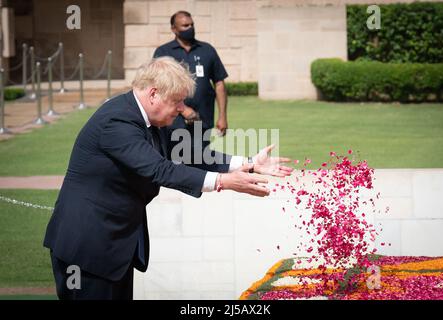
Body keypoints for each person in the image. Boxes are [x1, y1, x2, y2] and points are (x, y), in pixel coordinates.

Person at [43, 56, 292, 300]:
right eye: (177, 101)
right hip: (87, 248)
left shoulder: (154, 119)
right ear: (154, 94)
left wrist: (248, 164)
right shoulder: (117, 120)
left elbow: (190, 154)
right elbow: (160, 169)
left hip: (114, 247)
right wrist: (223, 182)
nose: (181, 109)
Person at [153, 10, 228, 157]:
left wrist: (222, 116)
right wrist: (183, 108)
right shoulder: (163, 52)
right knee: (175, 160)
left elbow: (219, 83)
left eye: (192, 25)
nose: (190, 28)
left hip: (203, 119)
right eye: (185, 26)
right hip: (172, 120)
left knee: (201, 159)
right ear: (174, 29)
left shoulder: (207, 50)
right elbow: (159, 87)